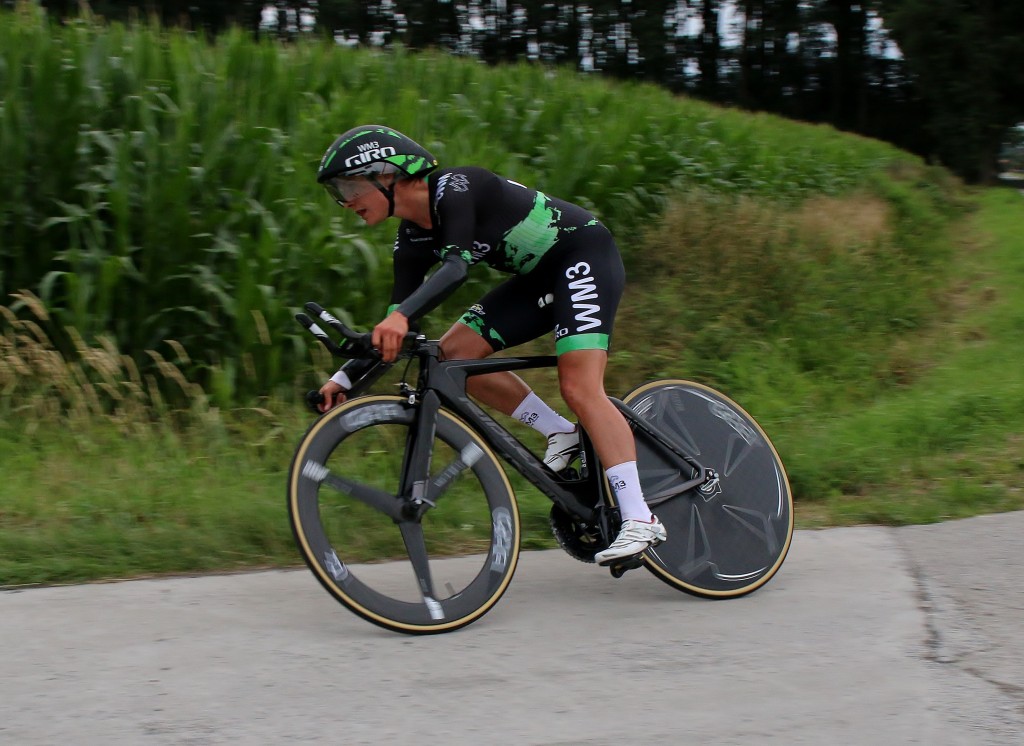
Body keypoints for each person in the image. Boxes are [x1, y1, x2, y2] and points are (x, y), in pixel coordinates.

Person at [314, 124, 665, 565]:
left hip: (582, 256)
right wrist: (346, 379)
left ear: (389, 173)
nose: (345, 201)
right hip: (537, 279)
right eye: (337, 193)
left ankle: (639, 517)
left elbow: (456, 268)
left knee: (579, 386)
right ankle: (560, 432)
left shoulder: (459, 186)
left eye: (349, 186)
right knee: (451, 356)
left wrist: (400, 317)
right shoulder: (410, 240)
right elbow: (397, 325)